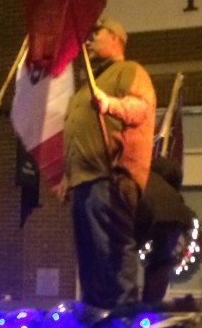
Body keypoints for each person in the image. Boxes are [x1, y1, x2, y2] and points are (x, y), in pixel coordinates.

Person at [54, 16, 155, 309]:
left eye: (95, 33)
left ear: (115, 38)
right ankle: (95, 310)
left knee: (111, 247)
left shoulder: (129, 71)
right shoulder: (88, 85)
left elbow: (141, 108)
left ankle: (122, 311)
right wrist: (67, 176)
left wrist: (109, 103)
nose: (87, 40)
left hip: (111, 175)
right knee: (88, 252)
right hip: (84, 179)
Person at [135, 157, 194, 305]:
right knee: (162, 260)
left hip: (145, 207)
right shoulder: (171, 189)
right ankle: (151, 305)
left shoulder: (145, 179)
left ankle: (124, 304)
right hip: (175, 213)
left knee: (124, 254)